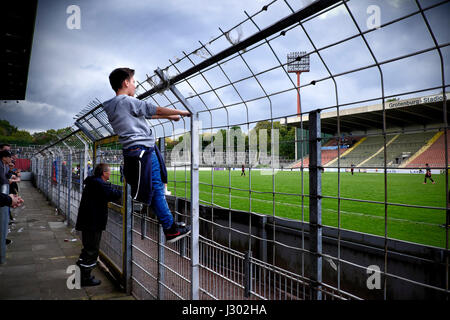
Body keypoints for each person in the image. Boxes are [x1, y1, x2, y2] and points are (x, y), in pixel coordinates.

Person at [102, 67, 191, 243]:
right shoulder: (126, 101)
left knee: (155, 188)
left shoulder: (113, 105)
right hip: (144, 151)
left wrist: (170, 117)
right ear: (126, 82)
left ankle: (170, 226)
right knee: (157, 189)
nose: (135, 85)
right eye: (134, 81)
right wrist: (181, 112)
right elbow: (151, 108)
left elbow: (143, 114)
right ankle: (170, 228)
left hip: (133, 152)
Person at [75, 163, 122, 287]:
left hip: (88, 222)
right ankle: (84, 278)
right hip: (92, 223)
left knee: (87, 249)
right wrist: (126, 188)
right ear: (104, 173)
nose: (110, 173)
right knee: (91, 250)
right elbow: (114, 194)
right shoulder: (99, 184)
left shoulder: (93, 182)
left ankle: (80, 276)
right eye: (109, 171)